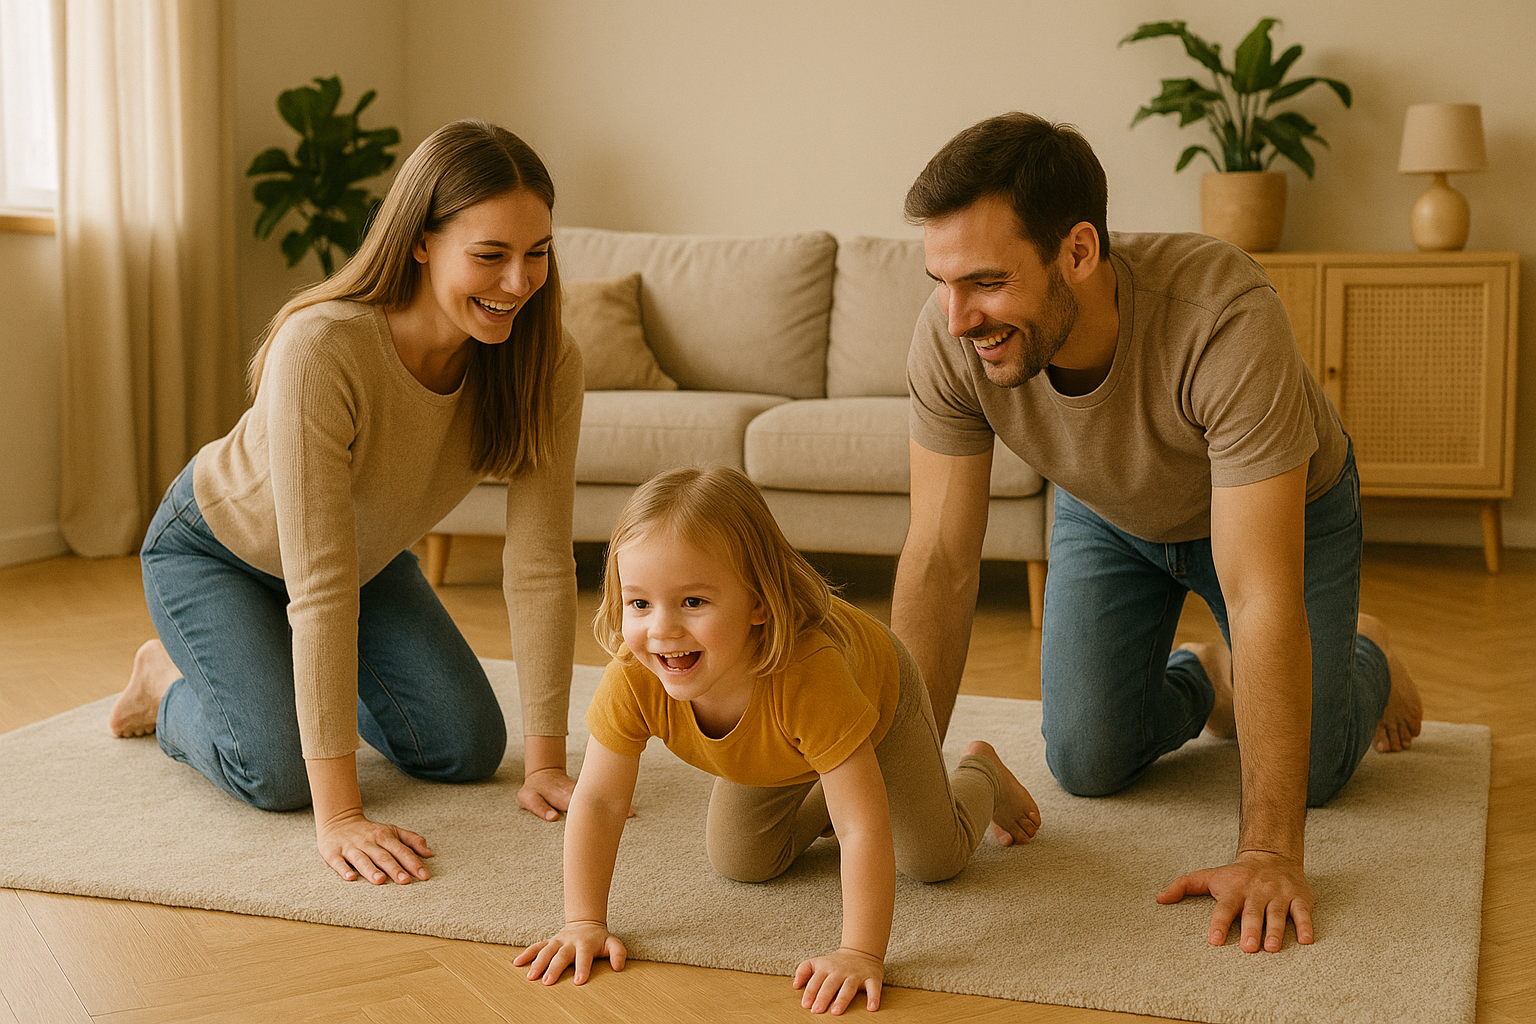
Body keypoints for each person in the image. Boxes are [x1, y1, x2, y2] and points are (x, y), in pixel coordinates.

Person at [890, 112, 1423, 955]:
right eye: (942, 281)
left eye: (986, 281)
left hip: (1286, 516)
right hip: (1111, 512)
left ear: (1078, 252)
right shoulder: (948, 333)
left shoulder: (1221, 314)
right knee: (1087, 761)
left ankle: (1368, 657)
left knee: (1313, 775)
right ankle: (1213, 680)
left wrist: (1268, 852)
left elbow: (1259, 591)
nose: (957, 317)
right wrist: (899, 786)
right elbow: (940, 561)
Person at [108, 119, 586, 887]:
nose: (518, 284)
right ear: (421, 241)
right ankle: (162, 680)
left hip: (361, 560)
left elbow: (538, 563)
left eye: (538, 254)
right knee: (280, 775)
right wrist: (340, 816)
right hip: (217, 551)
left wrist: (549, 763)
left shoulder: (545, 359)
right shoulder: (324, 346)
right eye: (491, 256)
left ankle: (276, 679)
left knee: (466, 747)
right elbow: (320, 585)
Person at [514, 466, 1040, 1015]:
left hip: (877, 698)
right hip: (785, 746)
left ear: (760, 602)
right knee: (743, 859)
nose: (662, 630)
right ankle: (834, 776)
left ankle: (982, 771)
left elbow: (862, 825)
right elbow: (599, 800)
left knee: (934, 858)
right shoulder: (635, 675)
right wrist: (583, 922)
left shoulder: (811, 677)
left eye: (693, 601)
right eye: (639, 603)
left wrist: (859, 952)